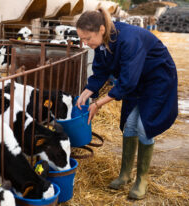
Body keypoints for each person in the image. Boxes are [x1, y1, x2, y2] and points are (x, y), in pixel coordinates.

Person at [76, 8, 178, 200]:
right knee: (130, 124)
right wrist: (87, 91)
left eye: (87, 38)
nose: (85, 43)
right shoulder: (102, 44)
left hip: (157, 80)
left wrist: (98, 104)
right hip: (136, 81)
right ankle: (125, 174)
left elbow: (127, 82)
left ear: (101, 29)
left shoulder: (128, 39)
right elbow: (100, 71)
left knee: (144, 125)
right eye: (82, 39)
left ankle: (142, 179)